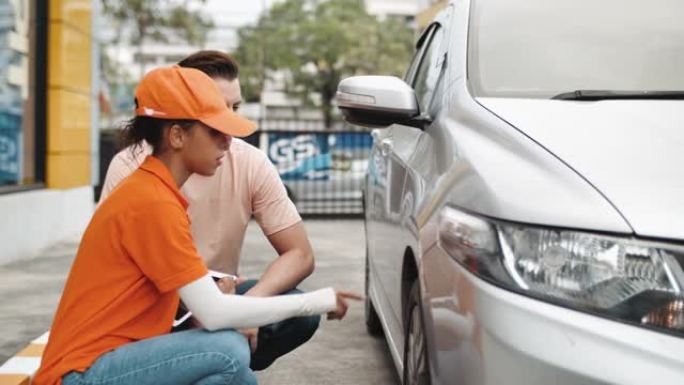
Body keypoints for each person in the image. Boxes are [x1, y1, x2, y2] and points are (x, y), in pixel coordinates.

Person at [33, 66, 360, 385]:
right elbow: (215, 313)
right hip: (81, 373)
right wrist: (318, 301)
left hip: (125, 354)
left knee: (235, 376)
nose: (228, 142)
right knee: (229, 349)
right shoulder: (151, 202)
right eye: (214, 131)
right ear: (177, 135)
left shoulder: (155, 191)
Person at [99, 51, 317, 370]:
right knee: (220, 343)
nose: (229, 121)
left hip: (218, 295)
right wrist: (211, 305)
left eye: (235, 107)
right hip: (150, 304)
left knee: (299, 311)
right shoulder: (134, 169)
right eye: (217, 108)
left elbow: (300, 254)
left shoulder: (249, 161)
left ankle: (213, 361)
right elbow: (117, 269)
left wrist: (247, 305)